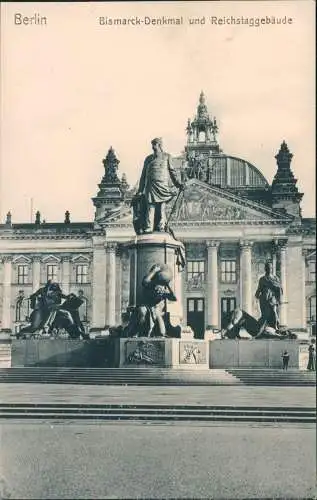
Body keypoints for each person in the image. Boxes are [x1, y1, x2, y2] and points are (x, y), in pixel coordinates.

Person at [136, 137, 184, 233]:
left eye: (155, 144)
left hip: (162, 185)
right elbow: (143, 175)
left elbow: (172, 172)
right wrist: (140, 190)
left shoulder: (167, 156)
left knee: (162, 207)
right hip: (151, 185)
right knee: (150, 206)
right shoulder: (148, 159)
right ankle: (149, 227)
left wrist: (178, 184)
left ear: (160, 145)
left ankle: (161, 226)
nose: (153, 147)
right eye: (152, 144)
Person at [125, 263, 177, 337]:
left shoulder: (162, 293)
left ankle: (160, 333)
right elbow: (145, 281)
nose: (159, 289)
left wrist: (167, 285)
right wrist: (154, 271)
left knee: (157, 316)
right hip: (144, 306)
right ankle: (138, 331)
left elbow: (174, 298)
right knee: (142, 312)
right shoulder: (150, 285)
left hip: (155, 308)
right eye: (158, 287)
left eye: (161, 287)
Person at [255, 261, 283, 332]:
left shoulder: (276, 278)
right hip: (264, 299)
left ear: (272, 268)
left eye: (270, 267)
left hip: (272, 299)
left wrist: (279, 299)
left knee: (274, 312)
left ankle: (275, 326)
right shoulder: (262, 279)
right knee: (265, 314)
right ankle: (264, 327)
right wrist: (257, 295)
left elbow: (279, 288)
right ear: (265, 269)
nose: (269, 269)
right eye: (267, 268)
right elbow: (259, 288)